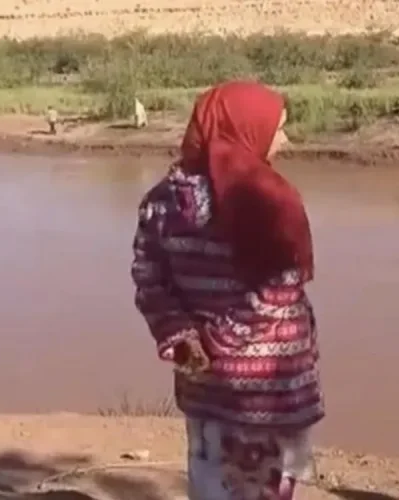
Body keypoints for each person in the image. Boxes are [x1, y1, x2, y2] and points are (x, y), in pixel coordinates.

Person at [130, 81, 324, 500]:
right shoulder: (269, 201)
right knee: (262, 489)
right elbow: (278, 292)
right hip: (267, 393)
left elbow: (149, 279)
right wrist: (219, 344)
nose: (286, 141)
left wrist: (185, 340)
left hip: (203, 385)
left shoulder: (161, 201)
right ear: (245, 130)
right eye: (279, 129)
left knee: (210, 483)